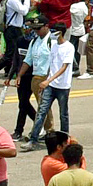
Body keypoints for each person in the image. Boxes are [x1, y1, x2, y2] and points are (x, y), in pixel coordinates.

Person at [21, 22, 75, 151]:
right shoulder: (54, 46)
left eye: (54, 31)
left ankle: (64, 140)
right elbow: (51, 65)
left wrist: (48, 80)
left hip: (62, 86)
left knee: (63, 114)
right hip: (50, 85)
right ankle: (33, 139)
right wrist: (46, 80)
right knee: (41, 111)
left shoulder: (69, 47)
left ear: (60, 33)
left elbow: (64, 67)